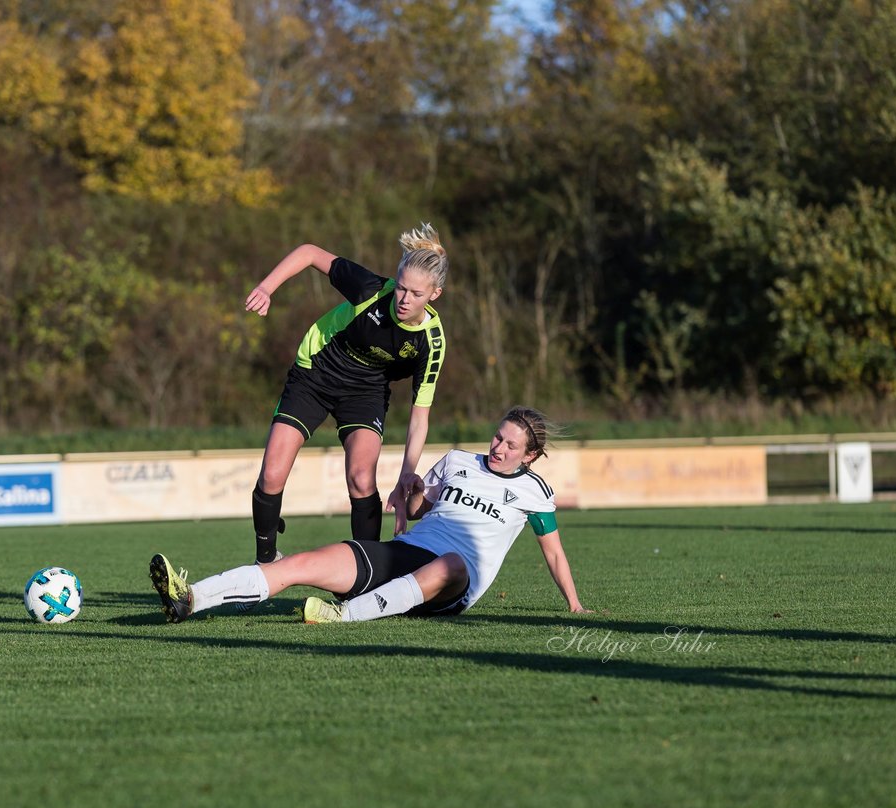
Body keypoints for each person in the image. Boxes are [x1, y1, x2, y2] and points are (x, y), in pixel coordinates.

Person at [150, 406, 588, 624]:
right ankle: (190, 599)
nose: (498, 448)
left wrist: (574, 603)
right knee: (298, 564)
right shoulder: (458, 461)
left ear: (530, 455)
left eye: (511, 446)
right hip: (405, 553)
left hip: (453, 583)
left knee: (453, 563)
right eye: (497, 437)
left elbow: (553, 552)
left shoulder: (536, 491)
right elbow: (419, 511)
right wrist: (413, 495)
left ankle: (346, 615)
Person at [243, 224, 449, 566]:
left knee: (361, 477)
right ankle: (265, 562)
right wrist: (267, 288)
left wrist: (405, 475)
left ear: (434, 295)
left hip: (365, 392)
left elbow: (419, 416)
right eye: (400, 288)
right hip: (315, 375)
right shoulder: (370, 288)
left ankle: (367, 573)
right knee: (272, 474)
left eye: (416, 293)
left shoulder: (432, 342)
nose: (404, 299)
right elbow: (309, 252)